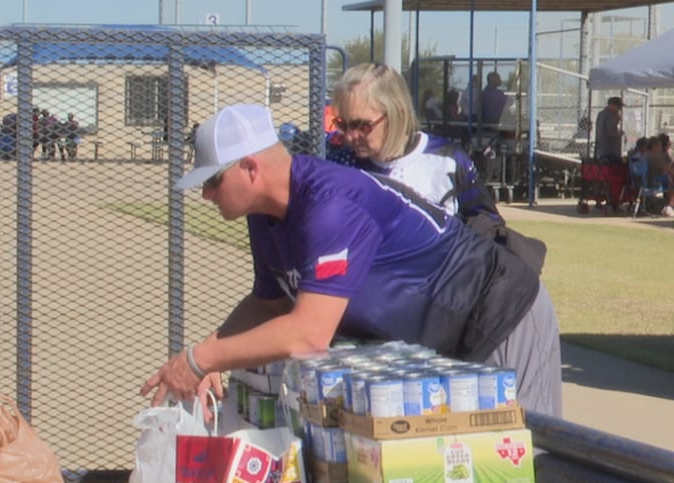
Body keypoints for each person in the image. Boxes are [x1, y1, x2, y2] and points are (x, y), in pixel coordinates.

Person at [139, 103, 561, 422]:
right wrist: (209, 353)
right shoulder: (264, 216)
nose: (205, 195)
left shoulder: (330, 205)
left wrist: (203, 359)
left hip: (500, 314)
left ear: (250, 168)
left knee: (527, 458)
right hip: (440, 338)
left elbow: (308, 334)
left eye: (213, 180)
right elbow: (269, 304)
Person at [330, 63, 500, 224]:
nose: (350, 136)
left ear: (397, 113)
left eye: (362, 126)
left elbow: (487, 229)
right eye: (343, 125)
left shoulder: (449, 161)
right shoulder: (338, 167)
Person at [595, 96, 625, 163]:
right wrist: (620, 133)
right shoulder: (609, 115)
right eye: (618, 106)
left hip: (603, 149)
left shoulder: (602, 113)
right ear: (612, 105)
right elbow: (612, 132)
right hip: (609, 150)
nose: (619, 109)